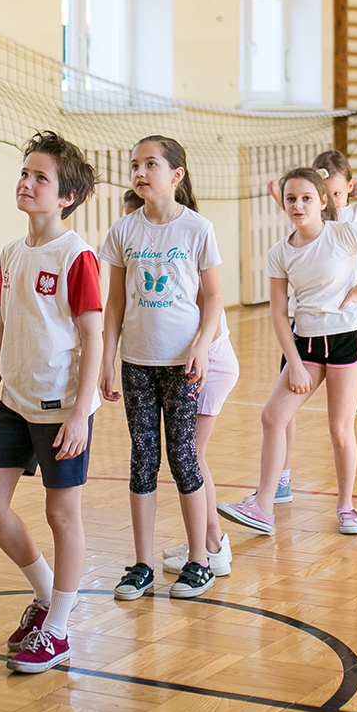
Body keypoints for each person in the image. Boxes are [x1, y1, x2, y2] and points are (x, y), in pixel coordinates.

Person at [0, 132, 103, 675]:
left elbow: (93, 336)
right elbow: (2, 328)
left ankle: (60, 630)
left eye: (40, 177)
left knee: (59, 513)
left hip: (60, 407)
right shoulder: (12, 252)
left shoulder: (77, 256)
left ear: (66, 196)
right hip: (15, 404)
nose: (26, 183)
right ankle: (47, 596)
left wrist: (79, 413)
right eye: (25, 173)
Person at [220, 168, 357, 537]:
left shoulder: (343, 233)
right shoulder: (280, 251)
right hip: (307, 342)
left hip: (348, 337)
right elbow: (278, 312)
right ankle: (263, 506)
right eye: (291, 198)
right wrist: (293, 364)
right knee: (272, 417)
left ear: (323, 202)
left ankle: (346, 505)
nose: (298, 205)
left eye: (307, 198)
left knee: (340, 429)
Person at [98, 137, 223, 602]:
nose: (140, 172)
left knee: (183, 455)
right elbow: (112, 304)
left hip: (182, 363)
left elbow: (212, 297)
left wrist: (202, 345)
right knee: (142, 460)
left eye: (151, 164)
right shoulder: (122, 231)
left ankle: (199, 560)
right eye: (135, 165)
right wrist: (107, 357)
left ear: (176, 175)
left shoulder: (198, 229)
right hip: (137, 363)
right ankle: (143, 564)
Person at [267, 152, 357, 510]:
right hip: (308, 334)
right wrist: (297, 189)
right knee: (280, 410)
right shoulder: (291, 240)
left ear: (343, 191)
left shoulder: (354, 220)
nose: (331, 201)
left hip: (350, 329)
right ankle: (280, 480)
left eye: (334, 194)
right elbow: (282, 189)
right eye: (294, 198)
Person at [132, 190, 237, 578]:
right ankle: (209, 543)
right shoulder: (138, 238)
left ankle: (211, 547)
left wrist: (198, 348)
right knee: (191, 456)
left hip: (209, 361)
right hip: (195, 358)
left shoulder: (188, 247)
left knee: (190, 456)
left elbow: (210, 306)